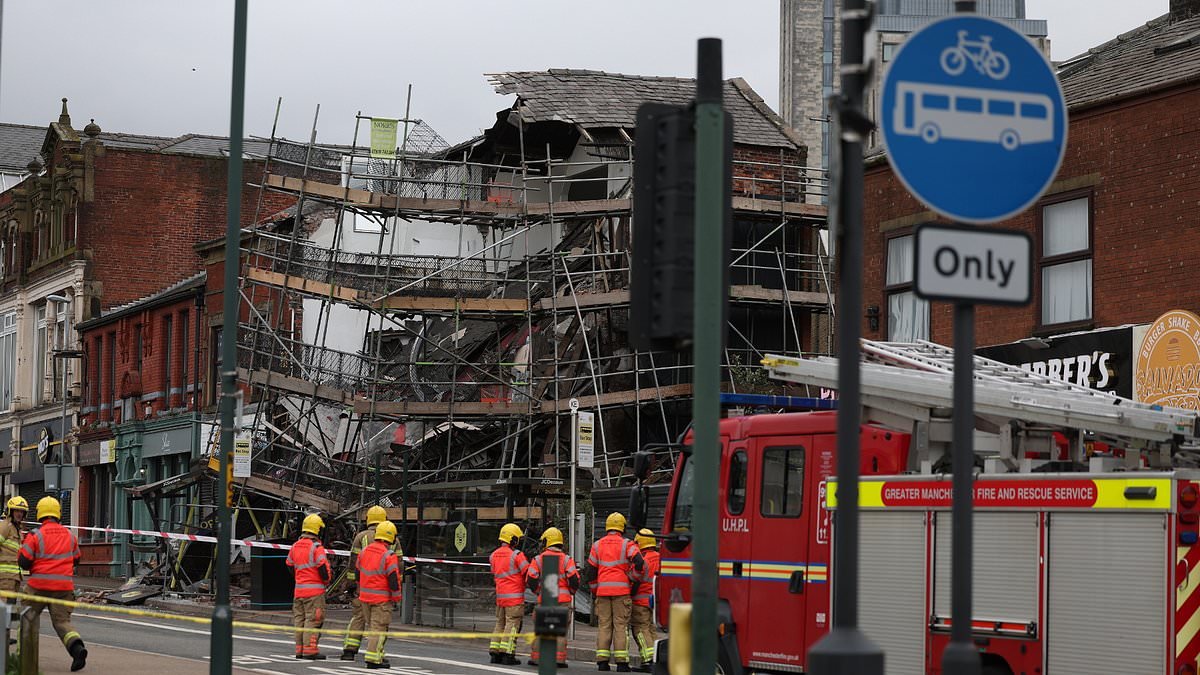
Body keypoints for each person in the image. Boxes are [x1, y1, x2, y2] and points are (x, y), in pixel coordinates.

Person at [18, 496, 86, 671]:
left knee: (28, 619)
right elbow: (77, 559)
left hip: (38, 586)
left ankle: (23, 659)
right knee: (62, 622)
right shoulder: (70, 535)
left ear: (40, 513)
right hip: (64, 588)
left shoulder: (35, 535)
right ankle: (77, 648)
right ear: (58, 513)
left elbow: (24, 560)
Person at [343, 505, 402, 661]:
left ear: (368, 519)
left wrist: (352, 585)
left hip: (363, 589)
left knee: (358, 618)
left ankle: (349, 649)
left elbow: (354, 564)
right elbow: (398, 565)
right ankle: (375, 654)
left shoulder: (361, 537)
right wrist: (396, 591)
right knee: (379, 625)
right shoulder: (393, 540)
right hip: (382, 592)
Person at [587, 512, 644, 672]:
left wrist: (594, 589)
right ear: (623, 527)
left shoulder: (597, 545)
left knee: (604, 625)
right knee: (620, 626)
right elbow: (640, 562)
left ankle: (602, 662)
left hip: (603, 591)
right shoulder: (627, 544)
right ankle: (621, 663)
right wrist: (633, 576)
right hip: (621, 591)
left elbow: (591, 571)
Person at [525, 526, 581, 669]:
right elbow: (574, 579)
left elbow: (531, 578)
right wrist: (571, 591)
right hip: (562, 601)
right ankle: (559, 659)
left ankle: (537, 658)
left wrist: (538, 590)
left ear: (547, 542)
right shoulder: (567, 560)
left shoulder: (538, 559)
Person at [286, 513, 332, 660]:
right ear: (317, 530)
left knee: (300, 620)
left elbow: (289, 565)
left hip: (299, 590)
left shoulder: (295, 546)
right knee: (313, 620)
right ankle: (310, 650)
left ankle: (299, 650)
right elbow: (323, 569)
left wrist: (299, 578)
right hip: (314, 592)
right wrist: (326, 581)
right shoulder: (316, 547)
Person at [357, 520, 402, 670]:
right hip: (381, 600)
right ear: (391, 538)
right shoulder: (388, 555)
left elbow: (357, 573)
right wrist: (397, 597)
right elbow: (393, 579)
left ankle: (378, 655)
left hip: (365, 598)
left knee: (373, 628)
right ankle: (373, 659)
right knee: (379, 629)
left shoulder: (365, 551)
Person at [489, 522, 528, 665]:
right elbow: (528, 573)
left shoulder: (493, 555)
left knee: (500, 623)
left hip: (500, 598)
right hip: (514, 598)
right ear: (513, 539)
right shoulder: (517, 555)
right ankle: (507, 654)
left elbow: (495, 573)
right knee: (512, 625)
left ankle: (495, 652)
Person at [629, 529, 661, 672]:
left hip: (640, 601)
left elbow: (635, 579)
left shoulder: (643, 560)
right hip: (654, 602)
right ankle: (655, 658)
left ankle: (647, 660)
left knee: (640, 630)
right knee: (651, 629)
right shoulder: (661, 557)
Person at [0, 497, 28, 598]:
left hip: (15, 577)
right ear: (10, 511)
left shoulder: (17, 530)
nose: (19, 514)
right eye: (16, 510)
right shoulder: (5, 526)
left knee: (10, 610)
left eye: (22, 511)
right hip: (4, 578)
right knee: (4, 610)